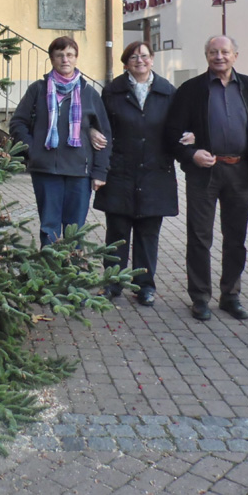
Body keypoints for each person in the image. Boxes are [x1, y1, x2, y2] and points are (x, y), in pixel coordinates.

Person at [167, 35, 248, 322]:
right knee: (200, 237)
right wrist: (191, 155)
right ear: (206, 56)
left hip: (240, 171)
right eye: (213, 52)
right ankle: (200, 297)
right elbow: (171, 134)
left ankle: (231, 295)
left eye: (225, 52)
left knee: (236, 237)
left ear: (235, 55)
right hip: (204, 173)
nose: (219, 57)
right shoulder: (191, 90)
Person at [90, 41, 180, 306]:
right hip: (120, 172)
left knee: (148, 233)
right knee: (117, 231)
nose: (139, 60)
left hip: (156, 172)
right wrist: (91, 132)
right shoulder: (112, 91)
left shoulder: (168, 92)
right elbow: (99, 125)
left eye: (144, 56)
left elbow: (178, 128)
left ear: (152, 59)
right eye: (133, 57)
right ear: (125, 62)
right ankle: (112, 283)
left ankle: (145, 286)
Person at [10, 37, 111, 248]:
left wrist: (100, 172)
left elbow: (104, 135)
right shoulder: (37, 90)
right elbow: (18, 122)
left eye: (70, 55)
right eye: (59, 55)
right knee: (49, 226)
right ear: (52, 59)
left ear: (76, 58)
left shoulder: (89, 93)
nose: (65, 59)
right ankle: (51, 275)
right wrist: (33, 150)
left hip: (79, 172)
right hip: (46, 170)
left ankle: (73, 277)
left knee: (75, 229)